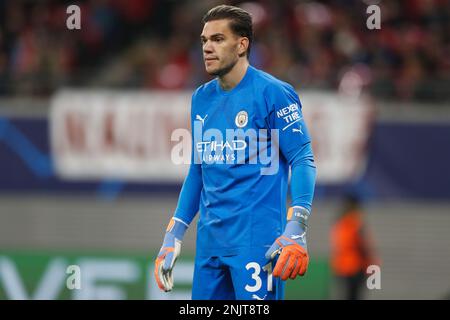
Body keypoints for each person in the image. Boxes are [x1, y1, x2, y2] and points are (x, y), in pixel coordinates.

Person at [154, 4, 316, 300]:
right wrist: (173, 234)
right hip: (210, 246)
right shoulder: (201, 98)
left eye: (217, 39)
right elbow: (197, 171)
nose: (207, 48)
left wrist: (297, 224)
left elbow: (302, 157)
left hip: (258, 243)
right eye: (204, 40)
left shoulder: (273, 92)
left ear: (242, 45)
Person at [330, 193, 378, 300]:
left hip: (341, 266)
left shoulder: (339, 222)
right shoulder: (356, 222)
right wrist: (372, 263)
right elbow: (363, 245)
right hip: (355, 266)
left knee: (346, 295)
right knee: (354, 296)